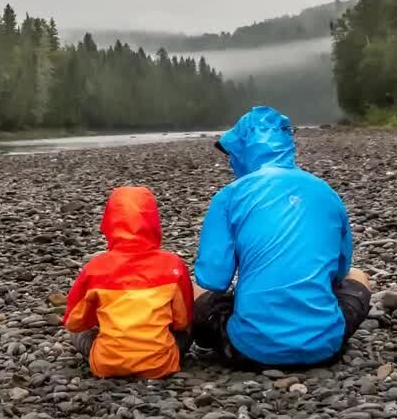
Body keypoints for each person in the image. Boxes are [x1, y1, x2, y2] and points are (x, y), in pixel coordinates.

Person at [192, 105, 372, 370]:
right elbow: (341, 270)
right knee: (359, 276)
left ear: (242, 151)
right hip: (324, 347)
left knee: (194, 289)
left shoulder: (229, 196)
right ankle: (315, 328)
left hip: (249, 350)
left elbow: (213, 279)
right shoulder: (326, 192)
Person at [62, 185, 194, 379]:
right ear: (153, 222)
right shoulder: (173, 265)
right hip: (160, 364)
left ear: (109, 221)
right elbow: (181, 322)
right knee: (189, 327)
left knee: (77, 334)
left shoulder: (95, 268)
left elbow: (74, 323)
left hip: (108, 363)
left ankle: (115, 354)